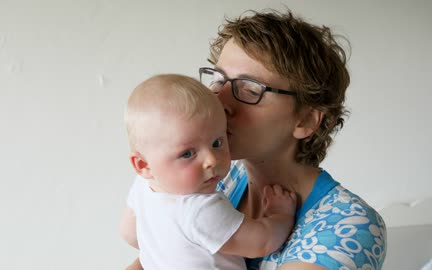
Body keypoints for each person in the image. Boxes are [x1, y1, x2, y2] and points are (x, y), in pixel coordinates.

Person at [126, 9, 387, 270]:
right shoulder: (215, 177)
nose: (218, 101)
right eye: (218, 80)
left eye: (250, 88)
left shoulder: (348, 226)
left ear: (306, 120)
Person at [119, 74, 297, 270]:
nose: (212, 160)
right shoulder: (201, 208)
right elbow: (261, 243)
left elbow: (129, 234)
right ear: (143, 165)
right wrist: (280, 215)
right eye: (187, 153)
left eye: (217, 143)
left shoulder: (142, 186)